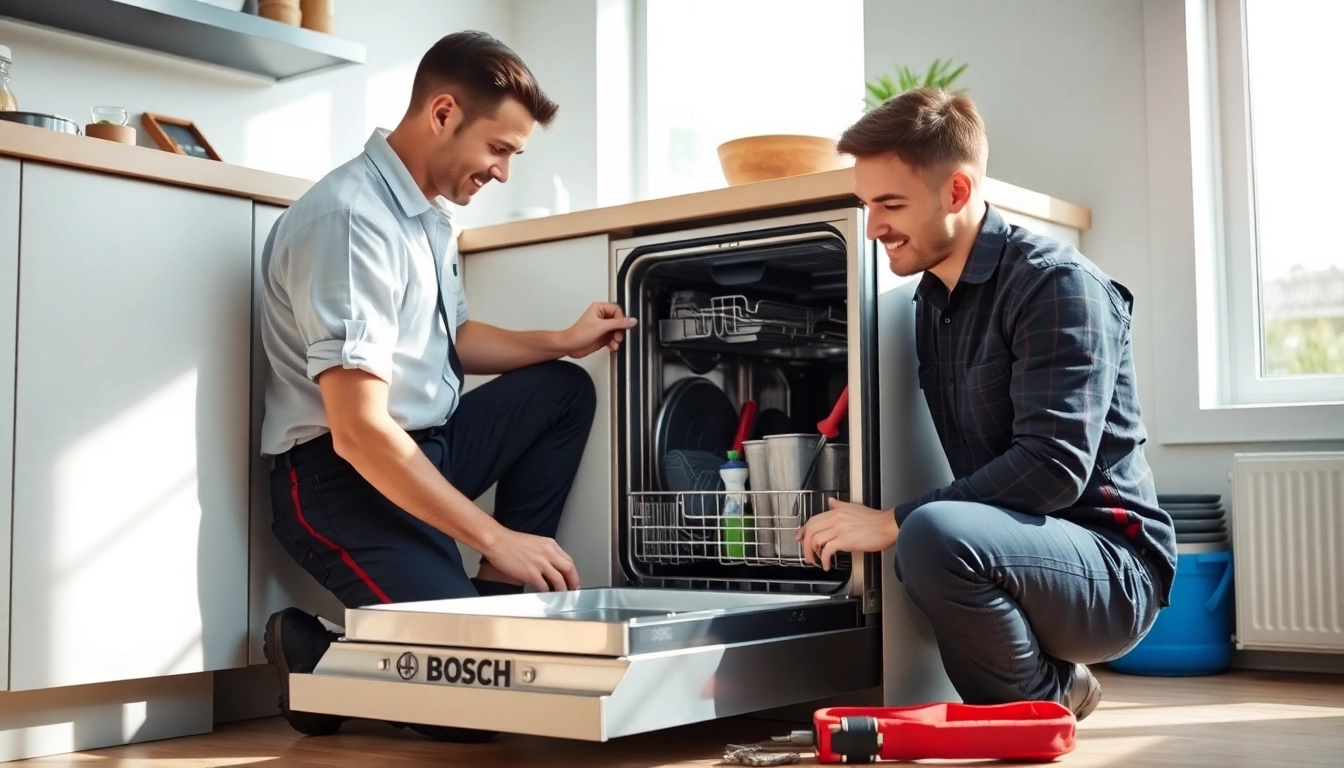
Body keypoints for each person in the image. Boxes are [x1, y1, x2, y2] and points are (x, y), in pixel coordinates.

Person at [256, 31, 636, 741]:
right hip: (337, 481)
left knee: (561, 390)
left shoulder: (426, 213)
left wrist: (561, 340)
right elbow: (360, 432)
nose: (501, 172)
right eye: (499, 149)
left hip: (425, 450)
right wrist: (500, 533)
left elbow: (450, 340)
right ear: (441, 113)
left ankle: (495, 611)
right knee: (479, 712)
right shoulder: (350, 222)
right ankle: (318, 657)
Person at [797, 88, 1176, 721]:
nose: (874, 227)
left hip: (1113, 568)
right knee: (931, 536)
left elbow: (1053, 469)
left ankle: (1038, 709)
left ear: (957, 192)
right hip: (1023, 554)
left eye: (890, 204)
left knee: (930, 533)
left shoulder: (1056, 283)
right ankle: (1050, 694)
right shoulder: (931, 304)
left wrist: (892, 520)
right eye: (867, 205)